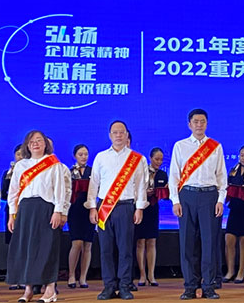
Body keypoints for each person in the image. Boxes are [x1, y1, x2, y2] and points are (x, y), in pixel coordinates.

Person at [169, 109, 227, 300]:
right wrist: (175, 200)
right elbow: (174, 175)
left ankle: (209, 286)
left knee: (209, 243)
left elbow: (221, 176)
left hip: (210, 196)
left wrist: (220, 200)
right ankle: (190, 286)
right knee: (187, 243)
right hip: (187, 196)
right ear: (189, 124)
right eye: (195, 122)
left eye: (202, 121)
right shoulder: (180, 146)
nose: (199, 125)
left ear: (207, 124)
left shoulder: (215, 147)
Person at [6, 130, 70, 303]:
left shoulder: (54, 164)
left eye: (39, 140)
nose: (35, 144)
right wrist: (12, 214)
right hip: (25, 209)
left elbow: (60, 189)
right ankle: (28, 290)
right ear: (27, 145)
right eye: (32, 141)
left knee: (47, 248)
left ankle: (50, 290)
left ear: (45, 144)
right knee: (26, 249)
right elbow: (13, 191)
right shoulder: (21, 165)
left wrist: (58, 211)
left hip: (46, 208)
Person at [87, 121, 148, 300]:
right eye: (115, 132)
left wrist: (139, 208)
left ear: (127, 135)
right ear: (110, 135)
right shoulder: (101, 157)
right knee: (105, 249)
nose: (118, 135)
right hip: (104, 208)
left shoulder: (137, 159)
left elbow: (141, 186)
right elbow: (94, 184)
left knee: (126, 249)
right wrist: (92, 207)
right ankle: (108, 286)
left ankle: (124, 286)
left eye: (122, 132)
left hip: (126, 207)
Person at [134, 147, 168, 286]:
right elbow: (135, 188)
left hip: (153, 209)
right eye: (156, 159)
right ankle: (142, 275)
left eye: (161, 159)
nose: (159, 162)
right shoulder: (142, 171)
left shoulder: (163, 174)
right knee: (140, 241)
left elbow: (166, 195)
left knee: (152, 241)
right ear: (150, 158)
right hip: (141, 209)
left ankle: (151, 274)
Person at [223, 144, 244, 283]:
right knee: (229, 239)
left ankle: (241, 272)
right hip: (235, 208)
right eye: (242, 155)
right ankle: (230, 271)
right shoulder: (233, 170)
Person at [67, 144, 95, 289]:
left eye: (86, 154)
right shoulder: (70, 172)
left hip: (89, 210)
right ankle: (71, 275)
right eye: (80, 154)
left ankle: (83, 277)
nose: (84, 157)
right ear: (75, 156)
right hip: (74, 210)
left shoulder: (93, 171)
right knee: (76, 243)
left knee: (87, 244)